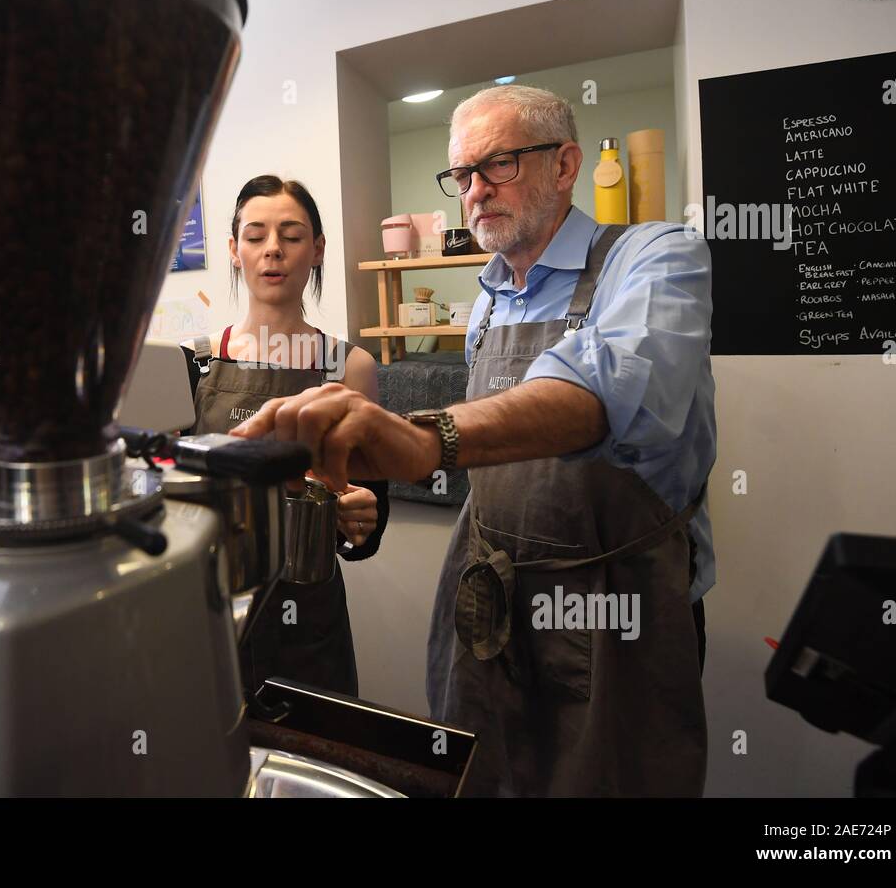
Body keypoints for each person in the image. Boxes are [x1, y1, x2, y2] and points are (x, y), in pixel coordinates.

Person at [232, 85, 716, 796]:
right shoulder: (491, 293)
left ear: (565, 163)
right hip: (495, 607)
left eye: (498, 165)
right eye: (461, 175)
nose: (475, 191)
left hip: (617, 614)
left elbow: (610, 390)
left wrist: (432, 437)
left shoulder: (655, 256)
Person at [184, 174, 389, 698]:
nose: (272, 250)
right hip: (205, 604)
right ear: (234, 250)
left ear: (317, 249)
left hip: (307, 613)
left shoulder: (350, 367)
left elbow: (367, 512)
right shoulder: (194, 362)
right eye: (255, 236)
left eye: (291, 236)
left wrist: (360, 516)